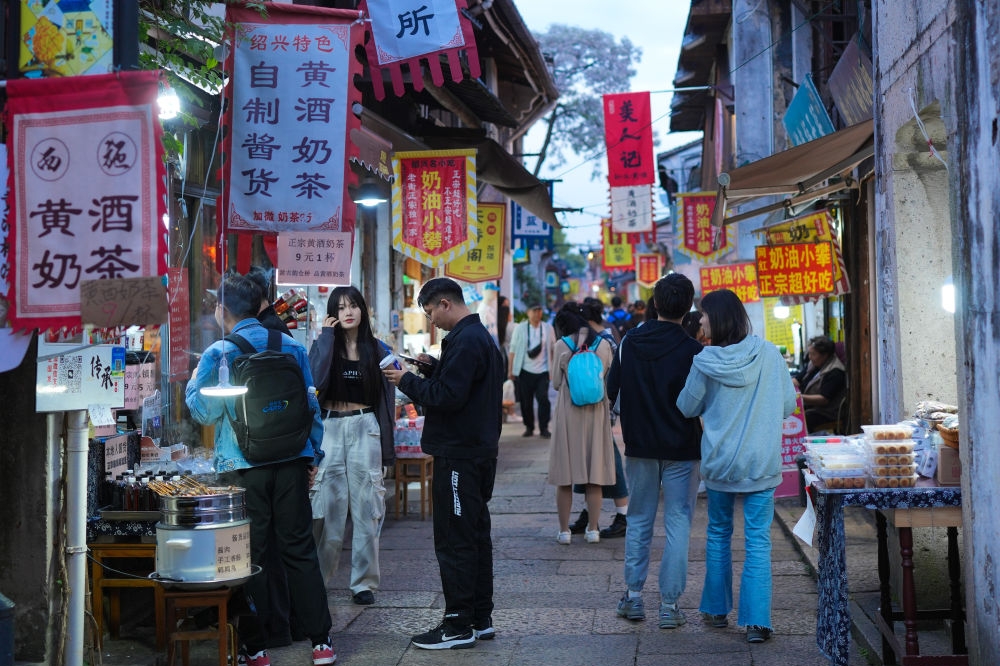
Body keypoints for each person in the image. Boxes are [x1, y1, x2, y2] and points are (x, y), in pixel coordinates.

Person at [185, 273, 335, 666]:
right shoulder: (290, 345)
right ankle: (321, 643)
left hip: (243, 466)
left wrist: (192, 384)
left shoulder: (219, 353)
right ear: (261, 306)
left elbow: (204, 410)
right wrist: (311, 456)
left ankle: (257, 648)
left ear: (222, 311)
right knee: (300, 550)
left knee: (248, 554)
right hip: (290, 463)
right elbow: (311, 407)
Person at [382, 277, 504, 650]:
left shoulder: (467, 341)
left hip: (460, 457)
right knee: (475, 536)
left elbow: (448, 397)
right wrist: (433, 368)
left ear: (446, 303)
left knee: (455, 539)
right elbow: (462, 388)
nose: (430, 319)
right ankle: (479, 617)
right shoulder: (476, 338)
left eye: (430, 311)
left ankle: (457, 623)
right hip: (477, 452)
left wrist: (406, 380)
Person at [676, 288, 797, 644]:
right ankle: (758, 623)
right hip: (760, 462)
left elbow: (686, 406)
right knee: (758, 541)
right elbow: (788, 405)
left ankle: (716, 610)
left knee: (718, 534)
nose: (700, 320)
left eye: (705, 314)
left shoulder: (705, 361)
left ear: (718, 319)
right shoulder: (770, 354)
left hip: (721, 463)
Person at [606, 274, 704, 629]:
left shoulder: (629, 342)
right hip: (683, 447)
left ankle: (633, 598)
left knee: (640, 519)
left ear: (656, 304)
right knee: (678, 522)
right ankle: (669, 605)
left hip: (640, 446)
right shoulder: (694, 350)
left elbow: (611, 390)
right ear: (688, 306)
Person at [308, 286, 396, 606]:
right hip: (329, 427)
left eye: (354, 306)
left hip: (365, 426)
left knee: (367, 507)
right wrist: (326, 339)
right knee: (327, 508)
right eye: (341, 307)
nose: (349, 312)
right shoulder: (322, 346)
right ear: (333, 313)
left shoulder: (378, 349)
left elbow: (387, 404)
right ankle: (318, 579)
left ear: (363, 310)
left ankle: (363, 583)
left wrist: (388, 450)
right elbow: (314, 384)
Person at [244, 266, 295, 647]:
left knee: (264, 547)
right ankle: (290, 625)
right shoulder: (282, 333)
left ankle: (270, 628)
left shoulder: (256, 337)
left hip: (259, 455)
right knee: (287, 546)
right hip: (288, 451)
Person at [547, 302, 615, 545]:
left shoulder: (562, 345)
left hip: (569, 414)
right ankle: (593, 529)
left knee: (566, 476)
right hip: (596, 414)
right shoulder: (604, 345)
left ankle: (565, 531)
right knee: (593, 475)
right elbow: (608, 378)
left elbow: (555, 382)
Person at [566, 298, 630, 539]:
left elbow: (613, 377)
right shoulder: (603, 337)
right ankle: (588, 512)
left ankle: (623, 515)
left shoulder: (604, 340)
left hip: (603, 409)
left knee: (609, 461)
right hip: (597, 408)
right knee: (590, 461)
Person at [508, 302, 554, 438]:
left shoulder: (547, 328)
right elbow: (513, 349)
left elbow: (552, 348)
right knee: (526, 401)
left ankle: (544, 427)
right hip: (524, 370)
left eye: (539, 310)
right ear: (528, 312)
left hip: (543, 370)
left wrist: (553, 369)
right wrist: (510, 370)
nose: (537, 313)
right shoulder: (520, 328)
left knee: (543, 399)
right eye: (534, 311)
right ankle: (529, 427)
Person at [793, 335, 847, 432]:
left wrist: (799, 397)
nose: (810, 357)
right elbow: (798, 379)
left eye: (813, 354)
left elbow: (823, 399)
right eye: (809, 354)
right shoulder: (814, 364)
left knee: (802, 418)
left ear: (825, 355)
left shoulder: (836, 371)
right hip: (808, 405)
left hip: (826, 411)